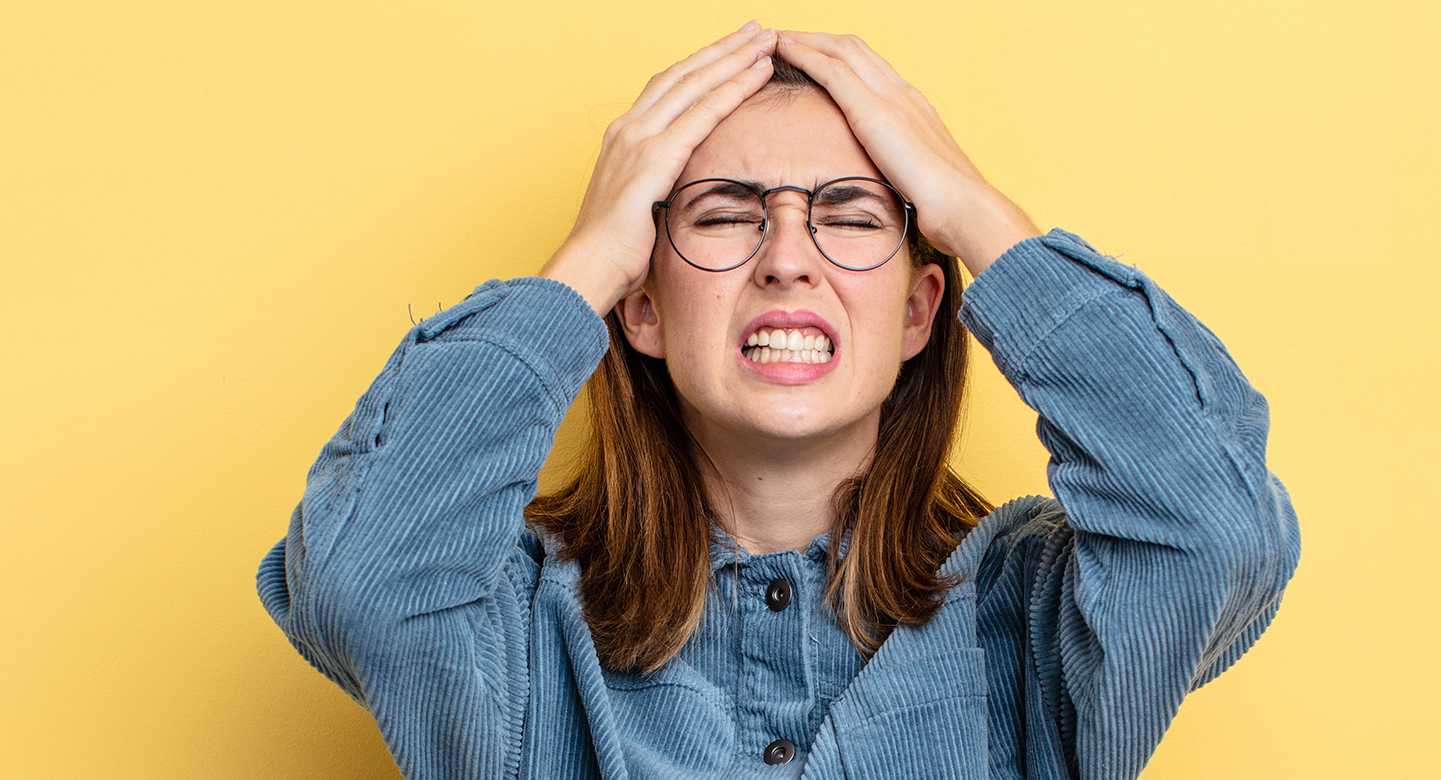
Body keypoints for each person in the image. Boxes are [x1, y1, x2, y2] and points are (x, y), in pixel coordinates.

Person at [255, 20, 1302, 779]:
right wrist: (575, 272)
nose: (788, 260)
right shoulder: (518, 628)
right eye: (724, 216)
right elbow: (364, 577)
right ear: (642, 305)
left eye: (849, 215)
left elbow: (1211, 533)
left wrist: (980, 215)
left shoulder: (1028, 616)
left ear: (918, 309)